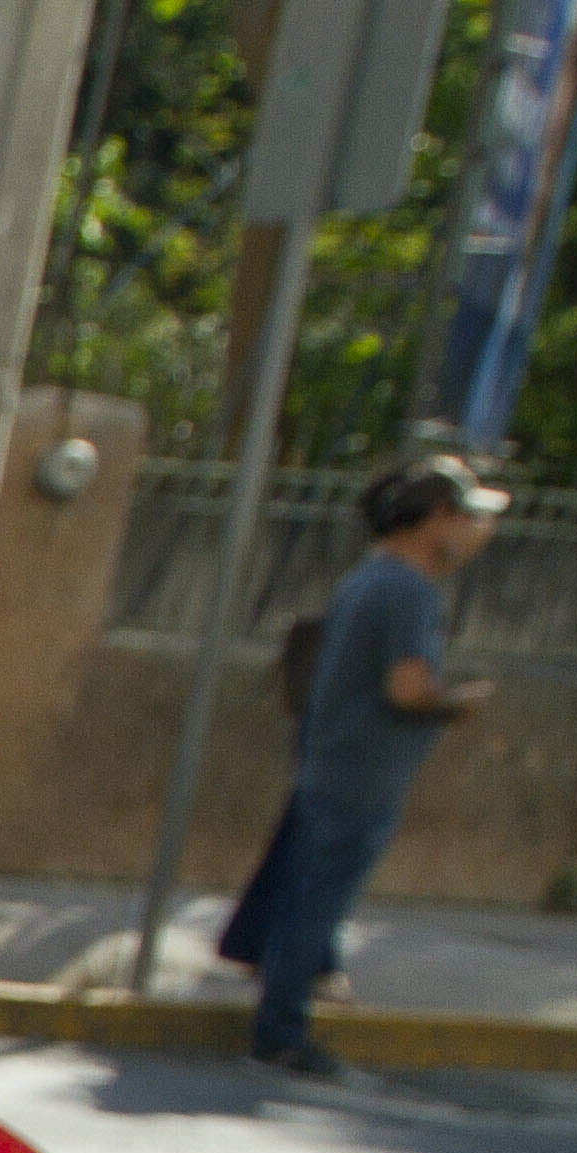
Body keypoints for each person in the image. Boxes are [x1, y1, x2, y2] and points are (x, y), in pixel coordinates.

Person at [233, 454, 505, 1083]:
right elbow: (406, 689)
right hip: (361, 774)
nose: (472, 534)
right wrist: (456, 703)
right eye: (464, 518)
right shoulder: (406, 590)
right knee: (317, 900)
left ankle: (269, 966)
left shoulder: (371, 578)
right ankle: (280, 1035)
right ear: (435, 519)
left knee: (303, 888)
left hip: (335, 761)